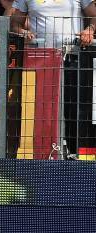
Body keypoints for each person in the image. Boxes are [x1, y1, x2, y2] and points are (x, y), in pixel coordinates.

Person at [11, 0, 96, 155]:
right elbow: (14, 24)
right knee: (43, 110)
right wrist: (24, 33)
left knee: (76, 111)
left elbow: (94, 15)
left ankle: (77, 157)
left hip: (73, 58)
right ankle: (44, 156)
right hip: (41, 60)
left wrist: (89, 30)